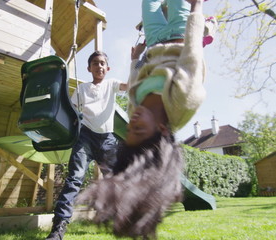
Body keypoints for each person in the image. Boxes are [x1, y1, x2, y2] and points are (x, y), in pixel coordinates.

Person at [76, 0, 210, 239]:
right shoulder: (183, 101)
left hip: (155, 39)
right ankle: (205, 25)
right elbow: (192, 53)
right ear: (161, 130)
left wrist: (135, 58)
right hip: (181, 33)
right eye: (138, 131)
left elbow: (134, 83)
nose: (132, 123)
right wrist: (196, 8)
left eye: (129, 132)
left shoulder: (137, 108)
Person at [45, 51, 127, 240]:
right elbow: (72, 112)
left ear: (107, 68)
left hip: (107, 140)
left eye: (102, 63)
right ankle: (58, 229)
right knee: (74, 179)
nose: (99, 66)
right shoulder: (81, 89)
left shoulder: (111, 84)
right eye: (95, 63)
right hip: (85, 138)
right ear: (88, 68)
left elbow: (129, 86)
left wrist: (136, 60)